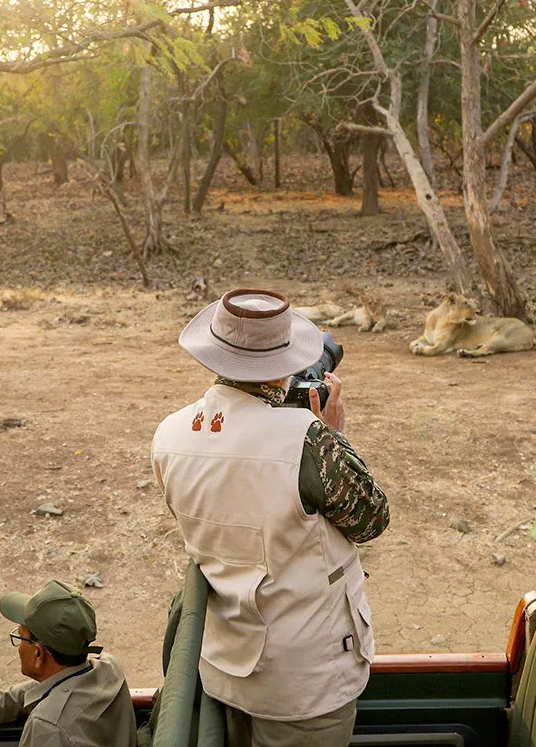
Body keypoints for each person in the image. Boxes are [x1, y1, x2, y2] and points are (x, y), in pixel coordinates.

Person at [151, 288, 390, 747]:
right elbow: (371, 519)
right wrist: (334, 437)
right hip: (306, 680)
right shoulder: (308, 440)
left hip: (225, 667)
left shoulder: (168, 434)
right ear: (285, 362)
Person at [0, 580, 137, 747]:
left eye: (20, 637)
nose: (18, 647)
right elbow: (34, 692)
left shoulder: (48, 728)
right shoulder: (107, 667)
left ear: (38, 654)